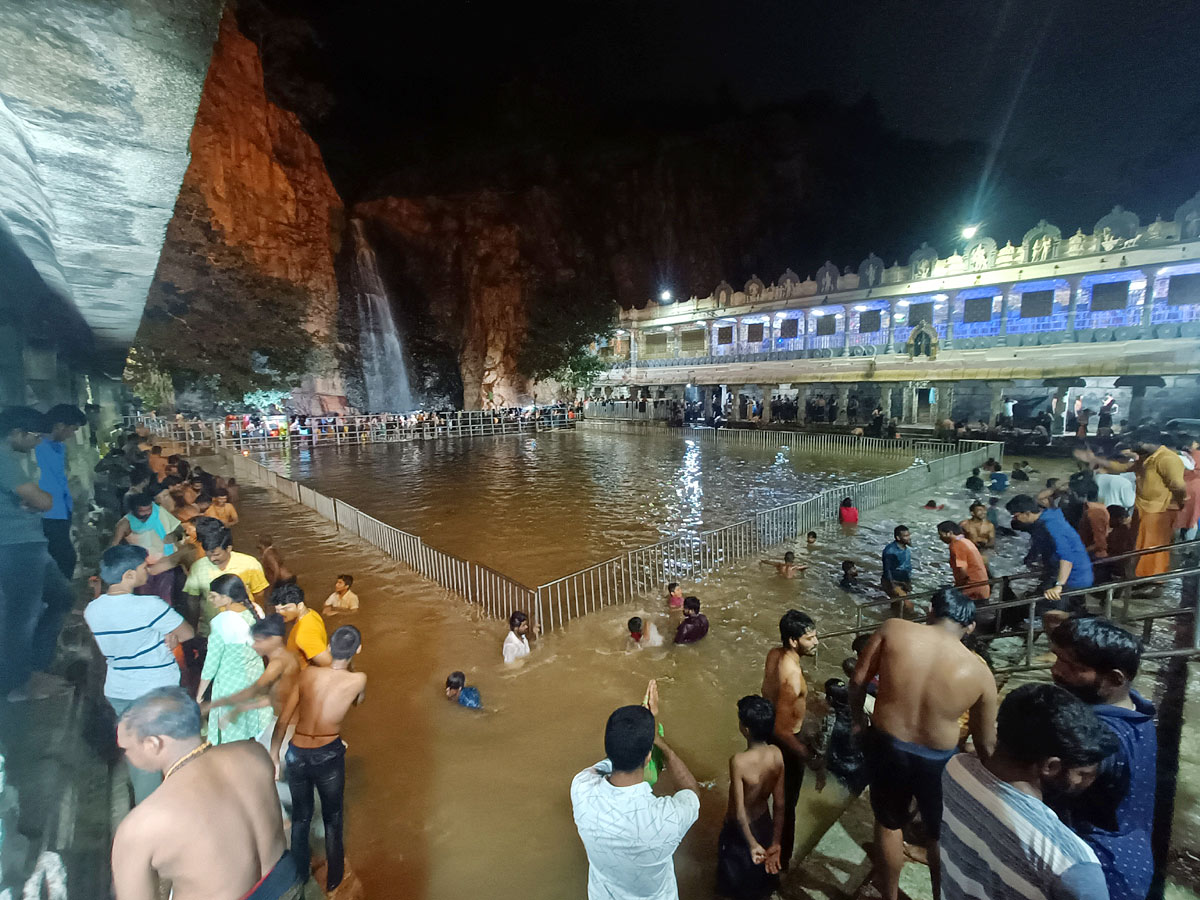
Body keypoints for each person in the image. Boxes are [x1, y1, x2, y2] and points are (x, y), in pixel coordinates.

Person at [850, 588, 999, 900]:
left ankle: (888, 895)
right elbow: (985, 743)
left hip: (888, 744)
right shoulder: (981, 672)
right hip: (938, 760)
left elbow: (858, 679)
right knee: (938, 835)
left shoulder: (894, 629)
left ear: (931, 610)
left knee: (889, 824)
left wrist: (856, 720)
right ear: (969, 627)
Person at [110, 687, 303, 900]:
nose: (126, 755)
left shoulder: (140, 826)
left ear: (152, 743)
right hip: (286, 887)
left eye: (126, 748)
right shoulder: (254, 753)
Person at [940, 682, 1118, 900]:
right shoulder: (1072, 864)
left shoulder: (956, 770)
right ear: (1051, 767)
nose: (1088, 781)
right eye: (1083, 772)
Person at [1050, 617, 1156, 900]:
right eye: (1058, 658)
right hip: (1134, 852)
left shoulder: (1099, 737)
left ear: (1115, 679)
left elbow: (1076, 773)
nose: (1055, 670)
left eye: (1073, 667)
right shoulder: (1136, 711)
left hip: (1101, 869)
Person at [84, 545, 195, 802]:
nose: (149, 570)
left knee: (140, 752)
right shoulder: (149, 606)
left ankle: (147, 807)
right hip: (156, 690)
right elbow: (187, 632)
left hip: (120, 690)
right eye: (144, 567)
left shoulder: (93, 610)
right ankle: (166, 810)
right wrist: (170, 637)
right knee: (171, 747)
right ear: (129, 576)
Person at [571, 704, 700, 900]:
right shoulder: (666, 820)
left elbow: (613, 758)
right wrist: (661, 744)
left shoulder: (581, 788)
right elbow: (691, 792)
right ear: (649, 756)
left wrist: (635, 732)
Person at [0, 406, 76, 702]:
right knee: (23, 614)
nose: (36, 442)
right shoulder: (4, 460)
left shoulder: (11, 460)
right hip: (15, 546)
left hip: (29, 543)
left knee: (62, 598)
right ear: (17, 433)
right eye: (34, 436)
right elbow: (42, 500)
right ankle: (18, 684)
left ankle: (33, 667)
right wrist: (38, 500)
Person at [286, 625, 367, 893]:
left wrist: (275, 754)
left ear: (329, 647)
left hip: (296, 751)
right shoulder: (358, 679)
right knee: (333, 819)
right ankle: (333, 883)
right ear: (358, 650)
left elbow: (285, 717)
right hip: (327, 753)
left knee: (301, 818)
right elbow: (358, 702)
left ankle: (298, 877)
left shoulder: (308, 673)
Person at [1077, 427, 1187, 579]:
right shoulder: (1147, 458)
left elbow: (1178, 485)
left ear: (1143, 442)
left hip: (1158, 511)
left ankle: (1153, 581)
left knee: (1152, 548)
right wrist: (1096, 460)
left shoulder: (1168, 459)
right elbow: (1123, 467)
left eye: (1135, 442)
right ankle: (1138, 577)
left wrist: (1180, 503)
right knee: (1137, 546)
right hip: (1142, 508)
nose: (1132, 446)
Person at [761, 609, 819, 870]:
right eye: (810, 638)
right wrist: (809, 756)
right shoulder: (793, 677)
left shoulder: (774, 654)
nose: (816, 642)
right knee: (787, 806)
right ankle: (781, 862)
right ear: (794, 641)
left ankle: (760, 845)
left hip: (763, 735)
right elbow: (783, 729)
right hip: (785, 742)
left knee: (762, 796)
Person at [205, 613, 301, 768]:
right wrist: (240, 708)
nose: (253, 645)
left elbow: (253, 691)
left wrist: (214, 704)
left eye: (258, 641)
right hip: (282, 723)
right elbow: (276, 698)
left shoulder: (277, 664)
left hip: (287, 729)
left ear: (274, 639)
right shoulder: (288, 658)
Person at [717, 696, 785, 899]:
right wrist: (776, 842)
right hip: (764, 822)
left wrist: (751, 843)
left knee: (730, 882)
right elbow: (780, 804)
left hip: (740, 830)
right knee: (759, 880)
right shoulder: (776, 753)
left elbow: (739, 811)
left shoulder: (739, 761)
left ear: (745, 729)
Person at [196, 574, 273, 745]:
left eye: (214, 596)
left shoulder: (222, 622)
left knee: (234, 737)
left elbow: (211, 664)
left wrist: (200, 695)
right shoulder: (255, 610)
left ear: (226, 598)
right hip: (255, 676)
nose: (210, 599)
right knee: (256, 728)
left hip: (232, 683)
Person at [1006, 494, 1094, 607]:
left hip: (1073, 578)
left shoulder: (1052, 526)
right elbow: (1039, 544)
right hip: (1058, 572)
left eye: (1015, 516)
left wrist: (1059, 586)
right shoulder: (1042, 521)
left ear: (1027, 513)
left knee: (1049, 611)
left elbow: (1066, 557)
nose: (1014, 519)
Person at [36, 404, 86, 577]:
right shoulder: (36, 447)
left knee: (64, 557)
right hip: (45, 513)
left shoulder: (59, 447)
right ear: (59, 426)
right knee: (63, 558)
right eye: (72, 429)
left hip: (62, 510)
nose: (72, 435)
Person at [183, 524, 270, 622]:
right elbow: (193, 599)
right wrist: (193, 624)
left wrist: (260, 621)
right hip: (209, 626)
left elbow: (259, 595)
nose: (212, 558)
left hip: (244, 624)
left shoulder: (250, 564)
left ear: (228, 548)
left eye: (217, 554)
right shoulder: (198, 567)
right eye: (208, 554)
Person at [274, 583, 331, 667]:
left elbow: (328, 663)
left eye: (286, 608)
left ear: (300, 606)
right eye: (277, 610)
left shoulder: (304, 633)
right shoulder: (310, 613)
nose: (280, 613)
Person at [938, 520, 991, 601]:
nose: (940, 538)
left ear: (949, 533)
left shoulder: (957, 545)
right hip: (982, 586)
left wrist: (959, 587)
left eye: (941, 534)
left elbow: (962, 569)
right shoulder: (966, 541)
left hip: (971, 589)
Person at [1076, 481, 1110, 562]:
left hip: (1095, 557)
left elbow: (1100, 543)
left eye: (1073, 493)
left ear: (1084, 496)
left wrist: (1079, 553)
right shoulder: (1091, 510)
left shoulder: (1095, 513)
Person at [881, 525, 913, 610]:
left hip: (905, 580)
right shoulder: (890, 551)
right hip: (894, 581)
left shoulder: (905, 547)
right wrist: (894, 587)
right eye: (905, 536)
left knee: (897, 606)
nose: (909, 538)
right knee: (908, 606)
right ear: (898, 538)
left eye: (909, 535)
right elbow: (887, 570)